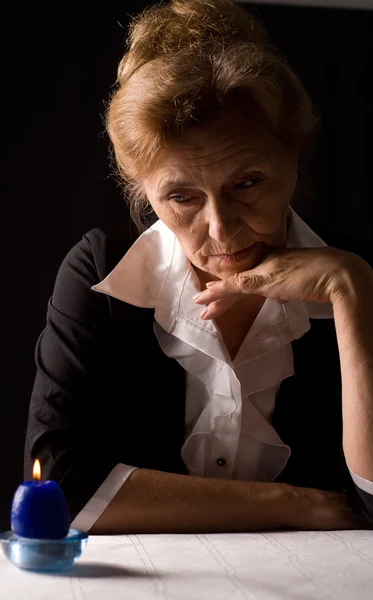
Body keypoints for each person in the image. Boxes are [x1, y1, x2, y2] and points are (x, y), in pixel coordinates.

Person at [24, 0, 373, 534]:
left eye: (248, 182)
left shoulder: (359, 272)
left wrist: (351, 292)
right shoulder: (100, 271)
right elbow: (59, 490)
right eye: (183, 197)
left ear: (293, 157)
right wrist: (298, 505)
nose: (222, 228)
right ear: (143, 193)